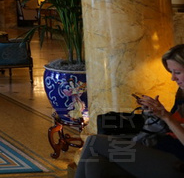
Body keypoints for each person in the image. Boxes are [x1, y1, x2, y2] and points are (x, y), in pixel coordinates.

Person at [75, 43, 184, 178]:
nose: (173, 78)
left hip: (176, 163)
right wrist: (156, 112)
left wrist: (167, 117)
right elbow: (171, 126)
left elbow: (174, 124)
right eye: (171, 72)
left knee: (93, 142)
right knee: (95, 164)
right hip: (158, 152)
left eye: (178, 72)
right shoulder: (182, 94)